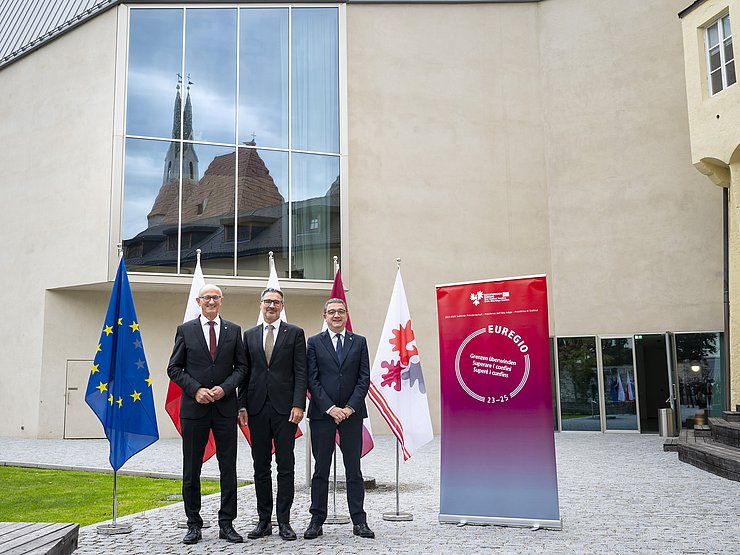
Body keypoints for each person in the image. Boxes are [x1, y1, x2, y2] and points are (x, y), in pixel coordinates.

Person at [167, 284, 247, 545]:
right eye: (206, 298)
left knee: (228, 468)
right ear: (199, 301)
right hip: (194, 409)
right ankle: (193, 524)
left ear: (221, 301)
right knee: (191, 468)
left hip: (224, 410)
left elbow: (242, 368)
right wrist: (196, 389)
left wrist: (224, 389)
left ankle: (227, 523)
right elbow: (174, 368)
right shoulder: (185, 330)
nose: (211, 301)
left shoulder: (234, 331)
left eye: (215, 297)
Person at [238, 288, 307, 541]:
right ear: (260, 305)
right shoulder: (250, 335)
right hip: (256, 409)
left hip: (286, 409)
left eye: (276, 302)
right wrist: (241, 405)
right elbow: (244, 374)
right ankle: (264, 520)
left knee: (285, 465)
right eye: (267, 301)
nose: (271, 306)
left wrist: (298, 404)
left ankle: (284, 522)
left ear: (282, 306)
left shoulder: (296, 333)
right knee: (260, 467)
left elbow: (301, 372)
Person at [304, 298, 375, 540]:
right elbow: (311, 379)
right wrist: (331, 408)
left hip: (352, 416)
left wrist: (349, 409)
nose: (336, 315)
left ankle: (359, 520)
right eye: (332, 312)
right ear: (324, 316)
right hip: (323, 415)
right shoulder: (313, 342)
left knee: (353, 469)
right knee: (321, 469)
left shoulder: (359, 342)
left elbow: (364, 378)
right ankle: (316, 520)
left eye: (341, 312)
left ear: (346, 315)